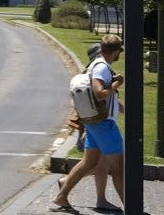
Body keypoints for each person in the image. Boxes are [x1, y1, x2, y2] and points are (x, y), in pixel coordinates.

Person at [51, 34, 125, 214]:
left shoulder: (99, 65)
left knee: (88, 163)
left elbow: (105, 99)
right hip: (103, 124)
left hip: (96, 123)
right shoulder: (101, 68)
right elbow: (99, 93)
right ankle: (132, 207)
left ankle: (62, 196)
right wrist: (117, 84)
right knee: (118, 167)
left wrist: (121, 107)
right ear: (115, 51)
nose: (119, 55)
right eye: (119, 51)